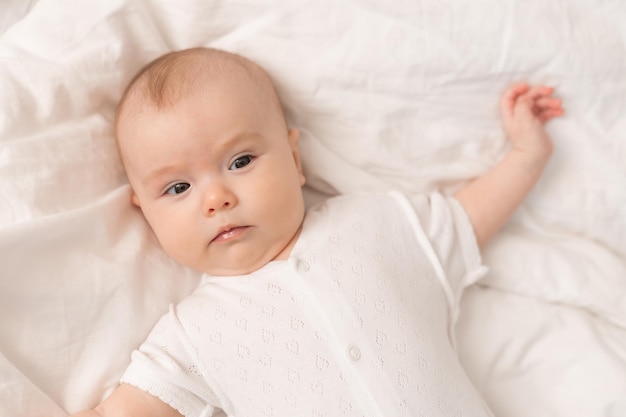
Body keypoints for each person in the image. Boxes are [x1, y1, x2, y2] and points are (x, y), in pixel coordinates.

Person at [73, 47, 564, 417]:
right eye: (177, 188)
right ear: (145, 212)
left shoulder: (375, 224)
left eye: (240, 161)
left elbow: (467, 216)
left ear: (294, 158)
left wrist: (526, 155)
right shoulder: (190, 335)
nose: (215, 198)